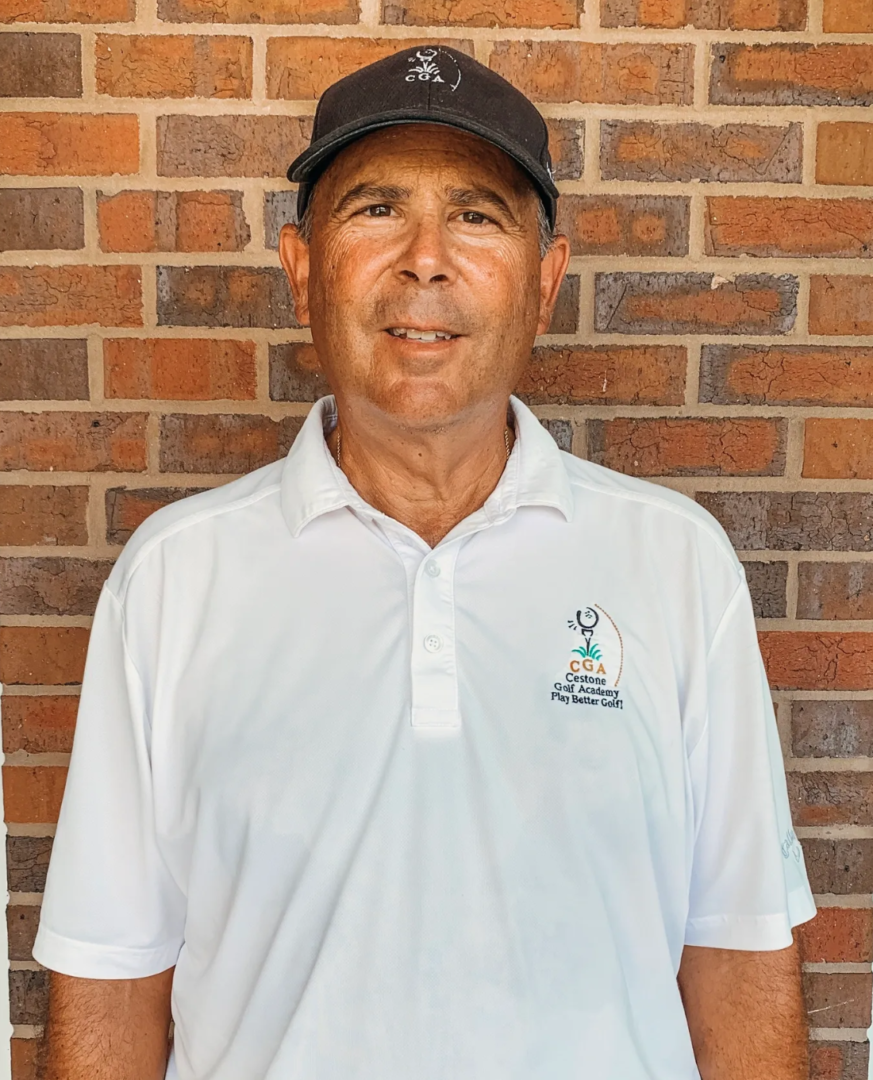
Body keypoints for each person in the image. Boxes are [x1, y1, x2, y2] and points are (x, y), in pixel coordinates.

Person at [33, 45, 816, 1080]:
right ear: (302, 264)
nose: (426, 258)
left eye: (478, 216)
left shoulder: (676, 568)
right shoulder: (175, 581)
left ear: (546, 281)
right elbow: (110, 980)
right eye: (374, 210)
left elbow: (739, 959)